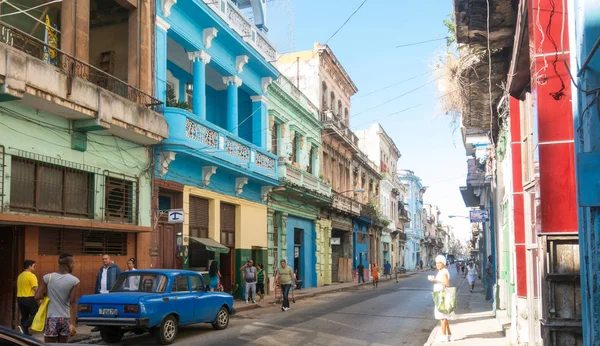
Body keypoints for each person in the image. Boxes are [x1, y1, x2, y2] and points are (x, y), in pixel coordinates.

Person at [35, 253, 79, 344]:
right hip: (66, 318)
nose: (74, 266)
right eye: (73, 263)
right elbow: (73, 302)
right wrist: (73, 324)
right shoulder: (74, 280)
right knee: (62, 345)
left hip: (51, 318)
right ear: (69, 264)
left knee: (49, 344)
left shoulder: (48, 277)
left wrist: (46, 295)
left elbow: (37, 296)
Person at [428, 254, 454, 343]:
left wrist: (434, 280)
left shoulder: (444, 272)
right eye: (436, 263)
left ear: (443, 263)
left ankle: (443, 336)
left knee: (442, 316)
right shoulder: (442, 271)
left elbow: (447, 284)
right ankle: (449, 335)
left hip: (442, 296)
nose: (437, 265)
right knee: (444, 317)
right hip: (441, 295)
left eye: (439, 263)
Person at [17, 260, 38, 335]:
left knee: (24, 315)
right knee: (37, 313)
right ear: (29, 266)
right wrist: (41, 296)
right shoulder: (31, 275)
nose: (35, 268)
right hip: (29, 298)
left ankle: (24, 334)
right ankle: (24, 326)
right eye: (34, 266)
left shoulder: (20, 275)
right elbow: (35, 288)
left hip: (20, 299)